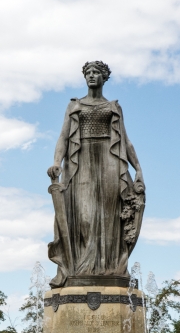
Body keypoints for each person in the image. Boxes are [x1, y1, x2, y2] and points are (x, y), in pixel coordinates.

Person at [47, 61, 145, 287]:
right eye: (88, 73)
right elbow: (63, 137)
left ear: (104, 77)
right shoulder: (74, 105)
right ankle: (79, 268)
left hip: (109, 162)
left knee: (109, 217)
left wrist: (138, 168)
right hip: (80, 162)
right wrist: (56, 162)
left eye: (96, 73)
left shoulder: (113, 106)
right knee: (84, 217)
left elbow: (126, 140)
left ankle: (109, 268)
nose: (91, 76)